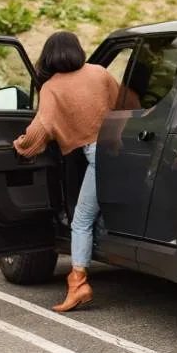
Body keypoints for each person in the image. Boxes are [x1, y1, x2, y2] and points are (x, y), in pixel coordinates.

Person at [13, 31, 121, 313]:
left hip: (97, 158)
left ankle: (78, 283)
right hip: (122, 152)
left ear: (48, 56)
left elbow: (42, 127)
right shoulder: (100, 73)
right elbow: (125, 105)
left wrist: (21, 146)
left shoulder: (51, 88)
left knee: (81, 220)